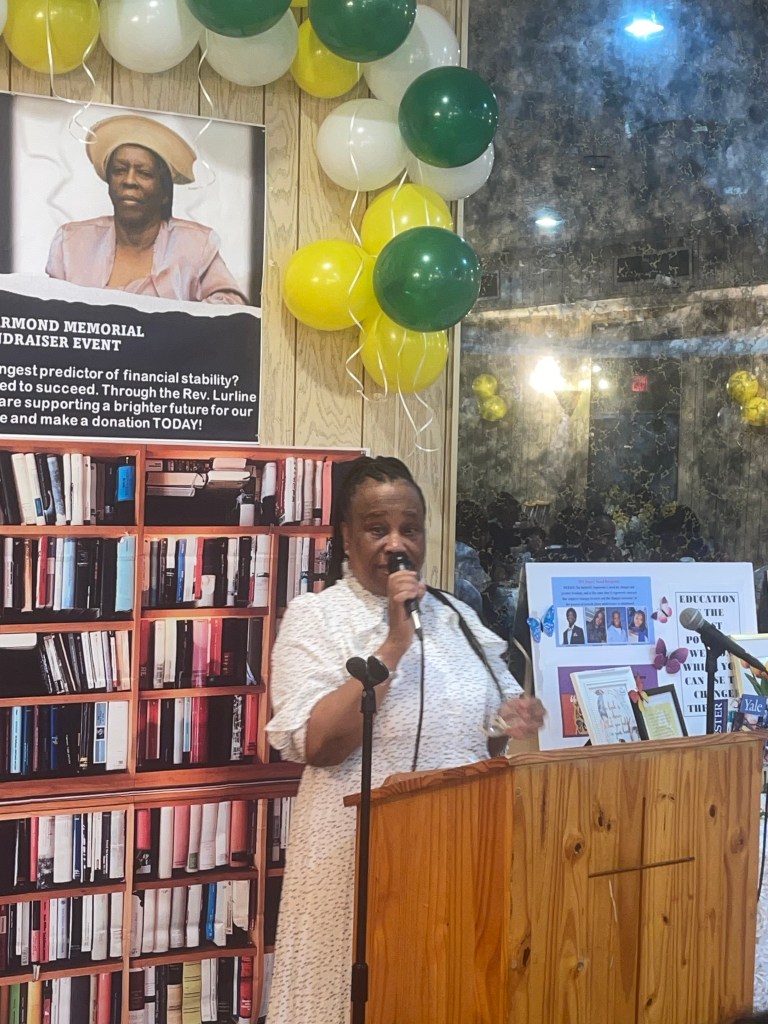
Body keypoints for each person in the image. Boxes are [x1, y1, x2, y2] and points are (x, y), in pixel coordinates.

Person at [265, 456, 545, 1024]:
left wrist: (509, 720)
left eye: (410, 528)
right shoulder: (317, 618)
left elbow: (483, 739)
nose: (397, 543)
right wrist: (393, 644)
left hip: (454, 855)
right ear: (347, 537)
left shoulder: (457, 615)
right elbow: (319, 745)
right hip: (352, 862)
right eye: (378, 529)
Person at [46, 114, 248, 304]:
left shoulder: (195, 246)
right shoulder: (70, 243)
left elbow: (231, 307)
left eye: (144, 173)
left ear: (164, 192)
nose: (129, 181)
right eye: (119, 170)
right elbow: (49, 312)